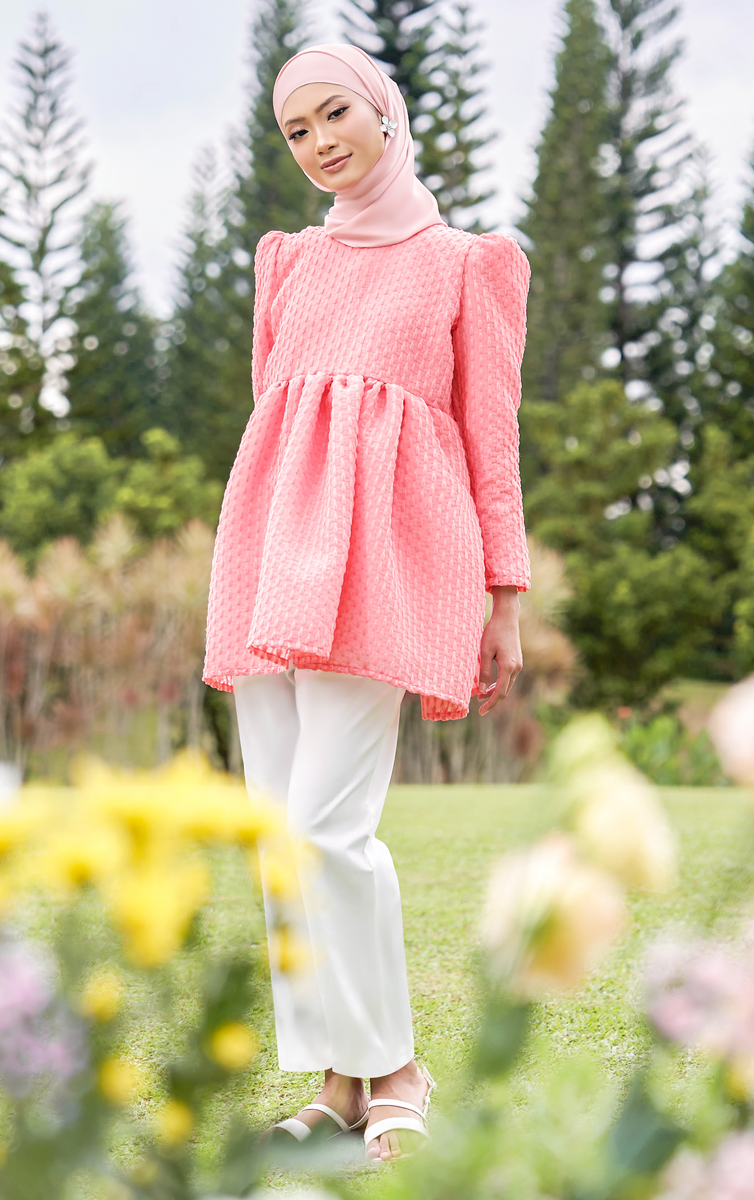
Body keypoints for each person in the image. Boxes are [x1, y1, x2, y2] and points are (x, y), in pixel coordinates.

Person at [203, 43, 531, 1164]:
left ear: (384, 109)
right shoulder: (288, 261)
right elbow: (279, 415)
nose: (319, 142)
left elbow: (490, 441)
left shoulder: (467, 264)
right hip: (268, 554)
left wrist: (502, 592)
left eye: (333, 112)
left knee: (326, 828)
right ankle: (341, 1080)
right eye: (296, 130)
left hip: (388, 560)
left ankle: (395, 1069)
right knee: (279, 834)